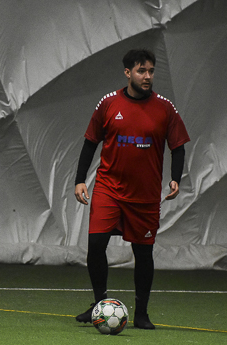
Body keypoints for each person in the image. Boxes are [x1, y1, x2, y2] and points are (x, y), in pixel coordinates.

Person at [74, 49, 190, 329]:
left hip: (145, 195)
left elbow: (178, 147)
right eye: (141, 71)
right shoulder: (108, 103)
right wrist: (79, 179)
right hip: (109, 188)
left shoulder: (165, 108)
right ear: (128, 73)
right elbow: (90, 142)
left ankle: (142, 313)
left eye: (151, 71)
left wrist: (175, 178)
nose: (147, 76)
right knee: (96, 245)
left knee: (143, 253)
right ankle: (99, 304)